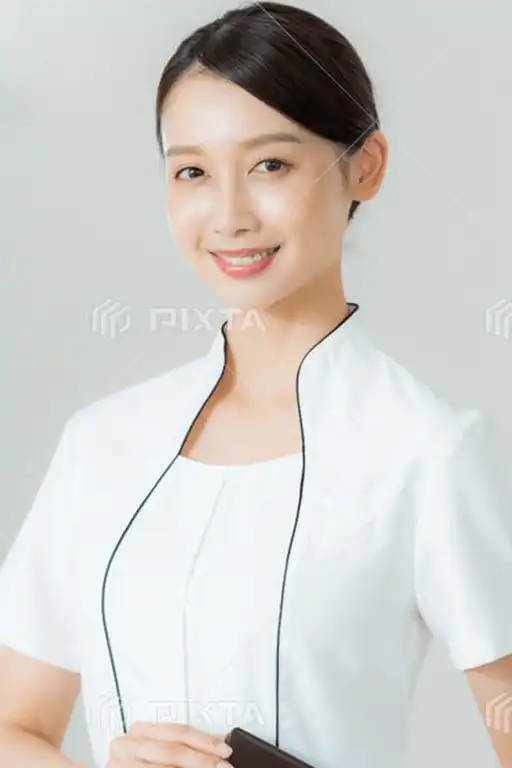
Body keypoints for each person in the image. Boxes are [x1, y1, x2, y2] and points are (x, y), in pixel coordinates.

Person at [1, 2, 511, 768]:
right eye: (193, 172)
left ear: (365, 166)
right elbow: (14, 727)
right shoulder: (103, 444)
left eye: (270, 165)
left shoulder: (424, 451)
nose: (230, 215)